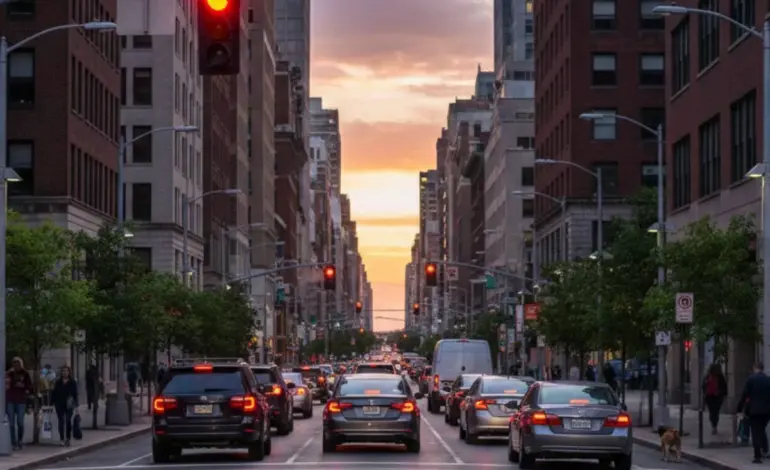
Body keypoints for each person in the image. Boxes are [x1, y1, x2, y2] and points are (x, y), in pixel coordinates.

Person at [737, 362, 770, 463]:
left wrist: (739, 408)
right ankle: (765, 450)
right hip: (767, 411)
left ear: (755, 368)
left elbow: (744, 394)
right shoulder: (768, 380)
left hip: (754, 410)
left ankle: (757, 456)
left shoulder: (751, 379)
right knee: (761, 430)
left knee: (756, 433)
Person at [6, 357, 32, 450]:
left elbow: (29, 386)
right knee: (11, 423)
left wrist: (24, 387)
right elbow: (5, 383)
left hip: (21, 400)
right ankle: (13, 442)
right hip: (11, 399)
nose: (16, 365)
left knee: (20, 422)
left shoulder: (25, 373)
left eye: (18, 363)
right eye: (14, 363)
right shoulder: (10, 373)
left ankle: (20, 440)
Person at [51, 365, 79, 446]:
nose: (65, 372)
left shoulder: (72, 382)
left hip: (69, 403)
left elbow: (75, 394)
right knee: (61, 421)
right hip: (59, 403)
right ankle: (62, 438)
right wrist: (51, 403)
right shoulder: (58, 382)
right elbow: (54, 393)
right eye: (63, 371)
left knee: (68, 420)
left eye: (66, 371)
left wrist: (76, 405)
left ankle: (68, 438)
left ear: (69, 372)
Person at [702, 363, 728, 435]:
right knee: (712, 411)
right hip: (709, 397)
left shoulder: (720, 377)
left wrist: (719, 392)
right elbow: (703, 386)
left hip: (717, 397)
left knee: (715, 411)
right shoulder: (708, 377)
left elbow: (724, 388)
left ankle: (714, 425)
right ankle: (714, 425)